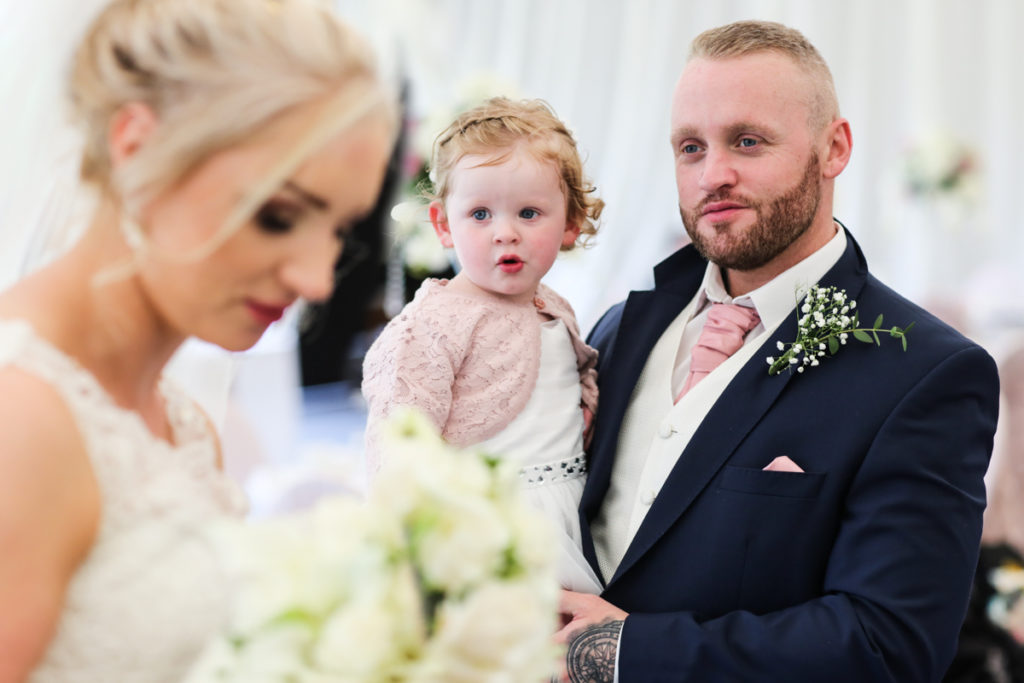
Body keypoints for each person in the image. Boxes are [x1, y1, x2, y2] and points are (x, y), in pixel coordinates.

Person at [556, 20, 1000, 683]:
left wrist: (620, 653)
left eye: (748, 141)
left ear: (835, 147)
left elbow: (887, 644)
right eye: (690, 147)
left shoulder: (928, 373)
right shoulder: (621, 327)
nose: (714, 175)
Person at [0, 0, 396, 679]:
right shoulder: (24, 421)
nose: (318, 278)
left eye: (337, 230)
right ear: (136, 147)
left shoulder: (184, 424)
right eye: (277, 216)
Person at [362, 97, 604, 593]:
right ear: (444, 226)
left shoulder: (555, 307)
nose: (505, 233)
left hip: (570, 511)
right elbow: (399, 449)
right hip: (488, 527)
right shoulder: (430, 326)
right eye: (479, 214)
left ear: (570, 224)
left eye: (530, 213)